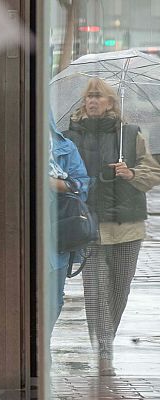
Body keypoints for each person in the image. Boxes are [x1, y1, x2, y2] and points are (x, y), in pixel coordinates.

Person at [64, 77, 160, 376]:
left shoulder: (130, 135)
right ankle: (104, 348)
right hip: (87, 225)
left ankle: (106, 339)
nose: (92, 101)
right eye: (89, 96)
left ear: (110, 103)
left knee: (120, 288)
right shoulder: (70, 137)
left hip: (127, 227)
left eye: (99, 96)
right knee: (95, 290)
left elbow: (152, 173)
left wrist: (130, 173)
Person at [47, 115, 89, 333]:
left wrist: (58, 185)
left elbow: (83, 185)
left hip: (58, 235)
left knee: (54, 301)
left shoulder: (65, 148)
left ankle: (42, 344)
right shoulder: (12, 147)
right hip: (21, 237)